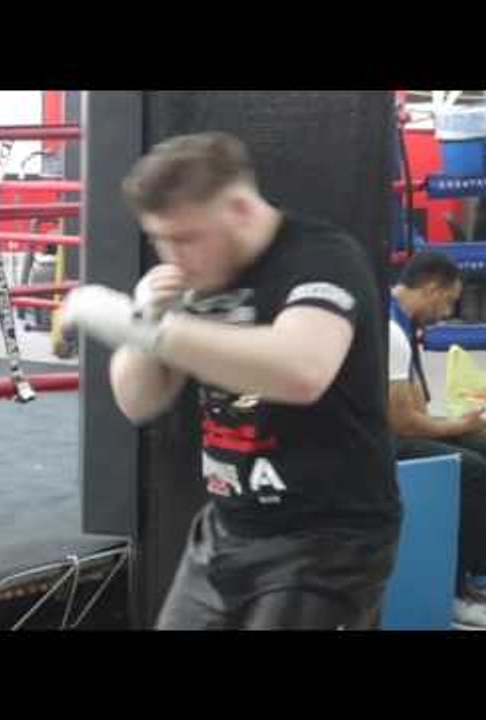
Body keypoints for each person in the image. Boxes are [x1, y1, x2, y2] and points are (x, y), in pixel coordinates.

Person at [62, 132, 402, 630]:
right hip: (227, 529)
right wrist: (146, 319)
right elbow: (139, 402)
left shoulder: (323, 258)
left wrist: (146, 330)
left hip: (327, 538)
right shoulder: (195, 274)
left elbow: (302, 370)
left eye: (186, 238)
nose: (173, 255)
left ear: (240, 208)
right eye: (160, 240)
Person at [389, 252, 486, 629]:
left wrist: (459, 423)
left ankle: (483, 581)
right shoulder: (389, 329)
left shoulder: (404, 322)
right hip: (366, 440)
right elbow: (403, 424)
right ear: (431, 288)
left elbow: (415, 401)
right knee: (471, 468)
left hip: (388, 427)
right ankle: (451, 592)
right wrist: (458, 425)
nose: (446, 312)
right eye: (448, 301)